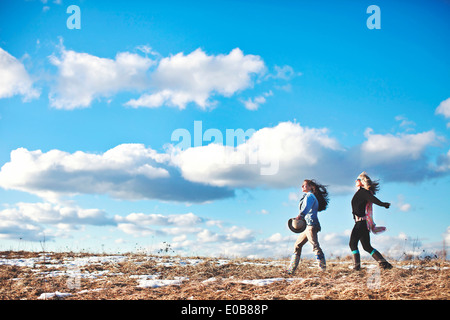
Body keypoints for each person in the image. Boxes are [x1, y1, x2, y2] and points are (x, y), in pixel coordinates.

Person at [350, 172, 393, 270]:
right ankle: (385, 265)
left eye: (357, 179)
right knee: (367, 247)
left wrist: (383, 204)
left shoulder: (363, 192)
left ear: (361, 182)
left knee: (352, 244)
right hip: (362, 223)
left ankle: (356, 268)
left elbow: (373, 199)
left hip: (361, 223)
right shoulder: (361, 192)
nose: (355, 181)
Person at [287, 179, 329, 274]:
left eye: (304, 185)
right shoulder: (308, 196)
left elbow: (307, 207)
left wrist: (301, 215)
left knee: (315, 245)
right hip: (307, 225)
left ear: (311, 187)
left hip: (311, 225)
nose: (302, 187)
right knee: (297, 245)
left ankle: (322, 270)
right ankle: (291, 270)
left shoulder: (310, 196)